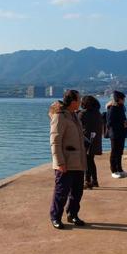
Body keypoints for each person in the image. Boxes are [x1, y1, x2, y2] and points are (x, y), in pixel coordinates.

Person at [49, 89, 87, 229]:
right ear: (73, 101)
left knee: (77, 192)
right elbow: (55, 141)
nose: (81, 101)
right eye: (79, 99)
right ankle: (55, 217)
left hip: (78, 161)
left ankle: (72, 214)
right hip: (65, 162)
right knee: (61, 192)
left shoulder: (74, 115)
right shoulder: (60, 117)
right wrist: (59, 162)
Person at [78, 95, 103, 189]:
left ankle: (88, 181)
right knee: (90, 160)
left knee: (87, 161)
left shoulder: (82, 113)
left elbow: (78, 126)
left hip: (86, 140)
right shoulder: (97, 113)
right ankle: (93, 180)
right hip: (95, 140)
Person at [106, 90, 127, 178]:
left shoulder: (121, 107)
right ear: (118, 99)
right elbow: (109, 122)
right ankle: (113, 170)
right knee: (114, 152)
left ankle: (120, 169)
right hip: (115, 133)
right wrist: (122, 123)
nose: (124, 100)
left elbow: (122, 119)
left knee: (120, 152)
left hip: (121, 133)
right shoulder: (112, 108)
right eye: (123, 99)